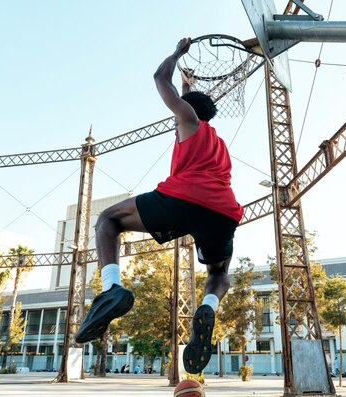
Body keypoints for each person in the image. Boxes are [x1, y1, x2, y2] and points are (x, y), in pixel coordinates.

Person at [74, 37, 243, 376]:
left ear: (187, 108)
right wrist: (188, 84)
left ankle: (112, 289)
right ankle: (208, 306)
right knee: (219, 274)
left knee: (108, 220)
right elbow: (185, 107)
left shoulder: (188, 121)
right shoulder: (217, 142)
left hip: (183, 197)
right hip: (224, 211)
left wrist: (177, 55)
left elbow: (158, 79)